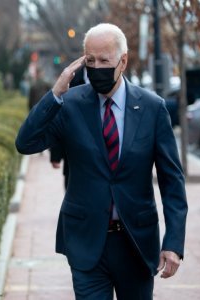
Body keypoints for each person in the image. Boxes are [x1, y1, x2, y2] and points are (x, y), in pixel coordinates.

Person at [15, 23, 188, 299]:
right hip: (86, 242)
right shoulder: (69, 104)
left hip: (136, 243)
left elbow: (172, 181)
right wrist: (55, 94)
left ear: (123, 61)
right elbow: (25, 143)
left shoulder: (152, 108)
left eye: (104, 61)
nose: (97, 68)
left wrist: (174, 242)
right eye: (90, 60)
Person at [50, 66, 89, 189]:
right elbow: (60, 118)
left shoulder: (113, 83)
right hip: (74, 158)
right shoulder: (71, 80)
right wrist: (56, 154)